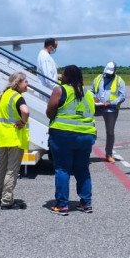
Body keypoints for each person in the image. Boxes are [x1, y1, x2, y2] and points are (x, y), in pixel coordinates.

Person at [46, 65, 96, 215]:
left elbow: (50, 112)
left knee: (62, 169)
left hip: (63, 135)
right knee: (82, 169)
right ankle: (86, 203)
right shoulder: (87, 93)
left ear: (66, 77)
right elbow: (91, 112)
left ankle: (62, 205)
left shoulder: (60, 90)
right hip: (86, 135)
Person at [0, 72, 30, 209]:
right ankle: (7, 200)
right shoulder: (17, 97)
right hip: (14, 138)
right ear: (18, 83)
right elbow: (25, 111)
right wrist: (23, 122)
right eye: (25, 81)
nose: (27, 84)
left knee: (2, 167)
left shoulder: (4, 95)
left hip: (3, 137)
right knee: (12, 170)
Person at [92, 61, 126, 163]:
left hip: (111, 109)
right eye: (107, 72)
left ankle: (109, 154)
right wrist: (94, 98)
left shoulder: (119, 80)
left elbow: (122, 96)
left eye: (110, 73)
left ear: (114, 71)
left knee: (110, 132)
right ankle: (84, 151)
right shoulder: (98, 78)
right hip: (97, 107)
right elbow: (92, 91)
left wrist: (111, 102)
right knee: (87, 125)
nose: (108, 74)